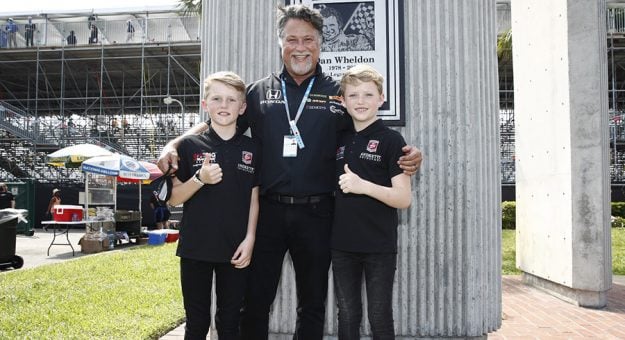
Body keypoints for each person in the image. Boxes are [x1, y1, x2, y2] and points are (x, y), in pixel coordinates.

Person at [157, 4, 422, 338]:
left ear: (320, 43)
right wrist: (173, 144)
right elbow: (216, 125)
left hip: (319, 213)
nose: (300, 47)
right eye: (292, 39)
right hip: (267, 211)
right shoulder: (256, 93)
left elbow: (370, 134)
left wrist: (411, 153)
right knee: (255, 301)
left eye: (308, 39)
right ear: (280, 42)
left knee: (312, 304)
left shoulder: (338, 95)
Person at [167, 71, 260, 339]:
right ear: (205, 104)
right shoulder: (188, 146)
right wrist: (199, 179)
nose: (224, 105)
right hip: (195, 247)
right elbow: (174, 197)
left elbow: (254, 197)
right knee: (197, 322)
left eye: (231, 100)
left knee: (229, 322)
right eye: (217, 98)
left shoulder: (253, 148)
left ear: (242, 107)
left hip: (235, 249)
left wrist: (250, 238)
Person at [331, 64, 411, 339]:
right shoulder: (339, 139)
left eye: (368, 94)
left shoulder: (391, 140)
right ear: (342, 101)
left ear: (381, 99)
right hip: (341, 245)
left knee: (379, 316)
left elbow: (403, 198)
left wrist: (362, 186)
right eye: (353, 95)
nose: (360, 101)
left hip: (379, 245)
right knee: (347, 314)